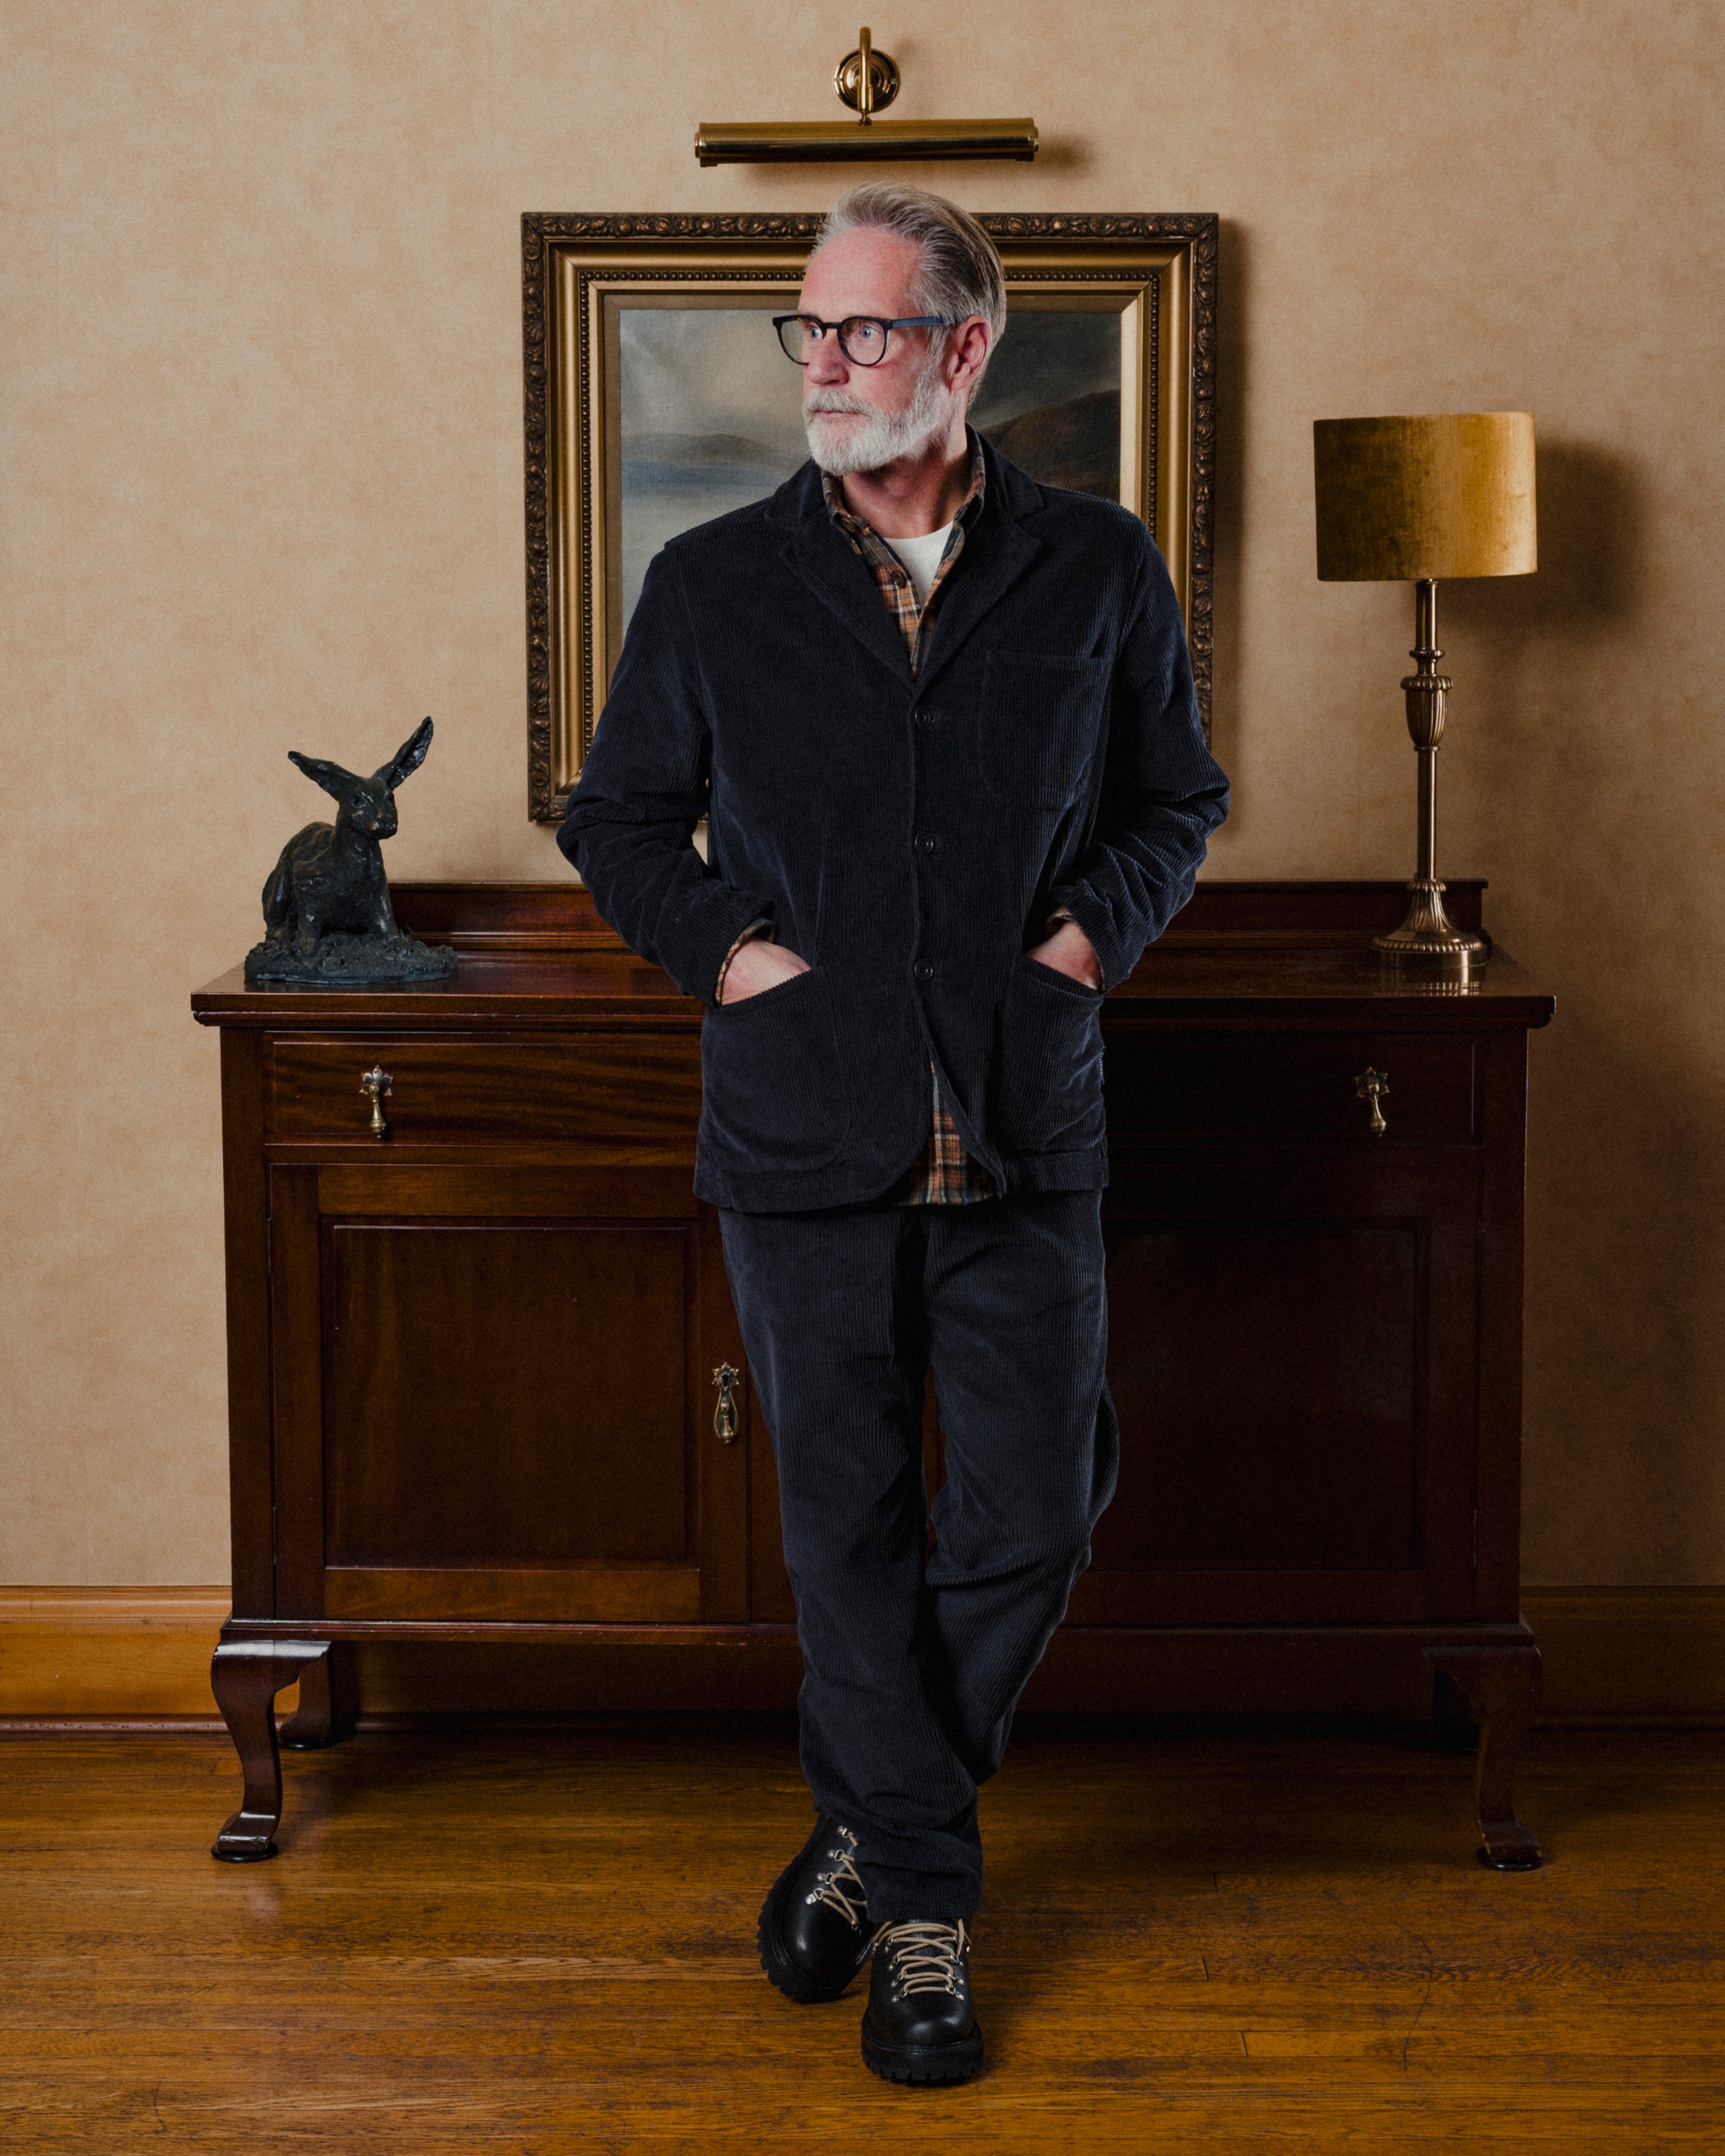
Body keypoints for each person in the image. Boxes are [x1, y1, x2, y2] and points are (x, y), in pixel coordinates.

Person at [561, 182, 1229, 2085]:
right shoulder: (713, 583)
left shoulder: (1097, 567)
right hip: (802, 1124)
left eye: (867, 329)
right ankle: (927, 1911)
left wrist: (1087, 940)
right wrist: (732, 954)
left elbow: (1179, 799)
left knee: (1040, 1497)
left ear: (965, 347)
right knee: (844, 1527)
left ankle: (867, 1823)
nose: (828, 366)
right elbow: (617, 818)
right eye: (812, 330)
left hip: (1024, 1115)